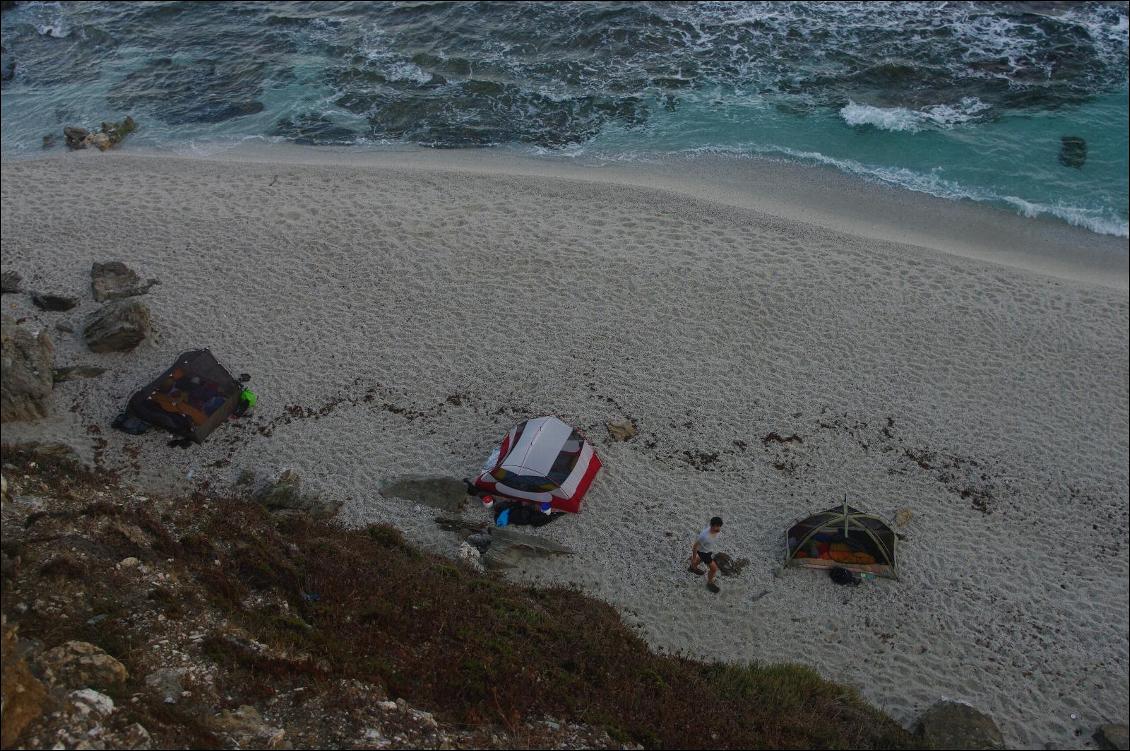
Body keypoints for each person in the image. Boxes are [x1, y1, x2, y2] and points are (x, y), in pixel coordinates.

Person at [689, 516, 723, 593]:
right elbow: (695, 547)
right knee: (714, 569)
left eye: (719, 526)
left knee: (700, 558)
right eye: (717, 526)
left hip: (707, 550)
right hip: (704, 553)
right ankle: (710, 583)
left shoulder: (715, 531)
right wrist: (693, 558)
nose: (719, 528)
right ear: (712, 525)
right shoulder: (704, 536)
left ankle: (692, 567)